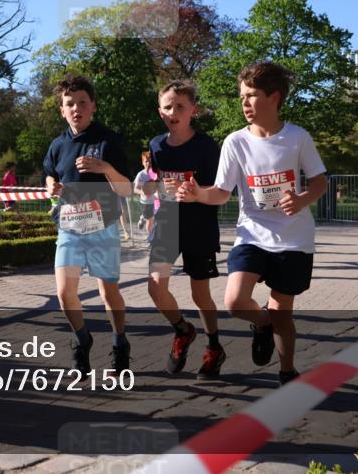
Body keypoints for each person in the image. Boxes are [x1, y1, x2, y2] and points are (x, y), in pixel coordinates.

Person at [178, 61, 327, 386]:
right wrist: (197, 195)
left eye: (252, 96)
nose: (244, 103)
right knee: (234, 301)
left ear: (274, 98)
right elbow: (220, 192)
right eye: (242, 96)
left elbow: (320, 181)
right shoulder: (235, 142)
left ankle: (287, 370)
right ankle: (261, 324)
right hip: (252, 235)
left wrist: (302, 199)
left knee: (282, 313)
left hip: (293, 239)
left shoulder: (298, 137)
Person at [43, 75, 132, 373]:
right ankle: (82, 340)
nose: (76, 108)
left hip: (102, 226)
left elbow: (126, 189)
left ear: (93, 106)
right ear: (62, 110)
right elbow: (50, 174)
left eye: (82, 102)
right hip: (69, 225)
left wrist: (105, 168)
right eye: (70, 104)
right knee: (64, 292)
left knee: (108, 292)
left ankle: (120, 342)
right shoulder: (58, 144)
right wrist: (51, 185)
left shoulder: (108, 140)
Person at [144, 80, 225, 379]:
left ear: (194, 110)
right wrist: (153, 187)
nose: (173, 112)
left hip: (199, 226)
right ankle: (182, 329)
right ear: (159, 111)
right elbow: (155, 183)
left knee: (200, 294)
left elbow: (220, 189)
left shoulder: (206, 146)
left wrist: (195, 191)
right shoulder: (156, 145)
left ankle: (214, 347)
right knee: (155, 287)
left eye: (180, 106)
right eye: (167, 106)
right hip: (167, 223)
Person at [133, 152, 156, 240]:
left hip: (155, 201)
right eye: (146, 161)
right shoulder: (141, 175)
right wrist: (143, 192)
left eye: (150, 161)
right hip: (145, 202)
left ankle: (143, 217)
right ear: (142, 162)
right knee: (149, 220)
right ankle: (150, 236)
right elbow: (135, 189)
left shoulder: (155, 174)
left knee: (151, 219)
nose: (148, 163)